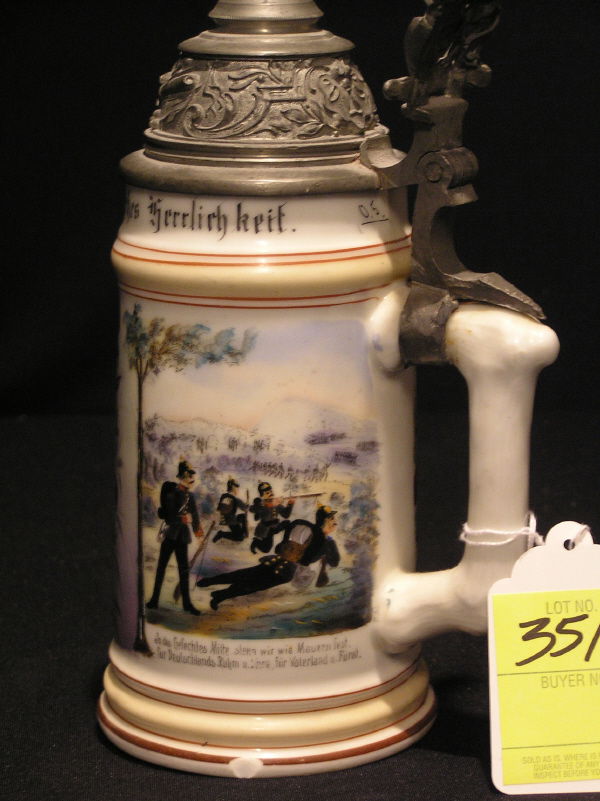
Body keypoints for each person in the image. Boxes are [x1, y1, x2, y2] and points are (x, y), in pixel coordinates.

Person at [197, 505, 340, 610]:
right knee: (249, 583)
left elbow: (283, 529)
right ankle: (217, 591)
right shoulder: (324, 541)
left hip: (277, 562)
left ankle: (215, 589)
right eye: (332, 519)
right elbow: (325, 561)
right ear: (326, 520)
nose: (335, 523)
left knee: (247, 578)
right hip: (285, 570)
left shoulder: (303, 525)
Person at [146, 460, 203, 615]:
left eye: (192, 476)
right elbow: (169, 515)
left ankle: (187, 604)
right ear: (182, 476)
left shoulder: (190, 496)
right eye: (189, 476)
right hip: (170, 534)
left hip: (182, 537)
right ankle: (154, 600)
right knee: (161, 567)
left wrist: (199, 534)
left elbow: (195, 516)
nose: (192, 479)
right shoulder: (171, 493)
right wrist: (182, 519)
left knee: (184, 571)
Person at [249, 481, 295, 554]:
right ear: (262, 495)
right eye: (267, 492)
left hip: (275, 526)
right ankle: (255, 542)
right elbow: (252, 509)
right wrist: (270, 504)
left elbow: (286, 515)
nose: (271, 493)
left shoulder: (275, 503)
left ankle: (284, 543)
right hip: (266, 529)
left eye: (271, 491)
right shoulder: (261, 504)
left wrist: (290, 504)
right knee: (266, 549)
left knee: (288, 523)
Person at [213, 478, 248, 543]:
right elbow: (244, 507)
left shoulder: (224, 496)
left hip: (225, 518)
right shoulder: (234, 499)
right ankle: (221, 534)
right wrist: (247, 505)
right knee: (240, 538)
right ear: (233, 488)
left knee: (242, 516)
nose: (238, 490)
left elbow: (219, 508)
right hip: (230, 520)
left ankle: (243, 533)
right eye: (237, 488)